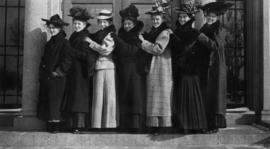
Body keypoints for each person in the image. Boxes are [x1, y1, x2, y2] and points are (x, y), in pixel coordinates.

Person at [171, 4, 210, 134]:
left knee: (192, 96)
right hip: (179, 70)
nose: (182, 19)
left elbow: (207, 48)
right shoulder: (175, 32)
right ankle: (184, 126)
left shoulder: (195, 33)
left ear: (190, 18)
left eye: (184, 17)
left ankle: (196, 125)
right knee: (181, 96)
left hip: (192, 70)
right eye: (180, 17)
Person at [138, 4, 173, 133]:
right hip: (154, 65)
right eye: (153, 19)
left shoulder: (165, 32)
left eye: (157, 19)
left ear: (162, 19)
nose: (155, 21)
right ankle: (154, 125)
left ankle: (161, 125)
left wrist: (143, 41)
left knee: (160, 95)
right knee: (154, 95)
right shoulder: (152, 31)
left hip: (161, 66)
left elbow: (158, 49)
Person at [63, 7, 98, 133]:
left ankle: (79, 125)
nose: (77, 26)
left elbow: (88, 56)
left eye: (79, 24)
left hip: (81, 71)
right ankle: (72, 124)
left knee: (79, 97)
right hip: (74, 71)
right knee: (74, 97)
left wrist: (71, 51)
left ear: (84, 25)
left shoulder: (85, 37)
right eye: (75, 24)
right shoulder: (74, 35)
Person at [200, 2, 232, 133]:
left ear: (217, 17)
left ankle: (214, 125)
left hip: (217, 67)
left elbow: (215, 46)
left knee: (215, 95)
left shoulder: (220, 29)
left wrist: (200, 37)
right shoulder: (204, 28)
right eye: (208, 16)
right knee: (207, 95)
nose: (210, 18)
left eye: (212, 16)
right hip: (206, 66)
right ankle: (206, 124)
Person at [113, 4, 146, 133]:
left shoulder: (136, 36)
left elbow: (130, 50)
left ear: (134, 24)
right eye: (125, 24)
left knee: (134, 96)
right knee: (124, 96)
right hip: (123, 70)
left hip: (134, 71)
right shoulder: (121, 35)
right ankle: (125, 124)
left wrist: (118, 42)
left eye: (129, 24)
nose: (126, 26)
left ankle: (135, 126)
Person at [38, 14, 72, 132]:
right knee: (49, 101)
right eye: (50, 28)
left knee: (56, 102)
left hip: (58, 78)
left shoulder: (65, 43)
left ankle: (56, 126)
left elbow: (67, 60)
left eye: (54, 28)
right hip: (48, 78)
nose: (52, 30)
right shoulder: (49, 43)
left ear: (60, 29)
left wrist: (58, 72)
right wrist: (43, 72)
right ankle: (50, 124)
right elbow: (43, 59)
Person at [85, 9, 118, 129]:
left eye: (105, 22)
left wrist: (90, 43)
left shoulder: (110, 34)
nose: (103, 24)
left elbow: (106, 50)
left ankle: (108, 124)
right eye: (101, 21)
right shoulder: (101, 33)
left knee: (107, 96)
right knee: (99, 96)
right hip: (100, 66)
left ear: (109, 22)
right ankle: (98, 124)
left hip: (107, 66)